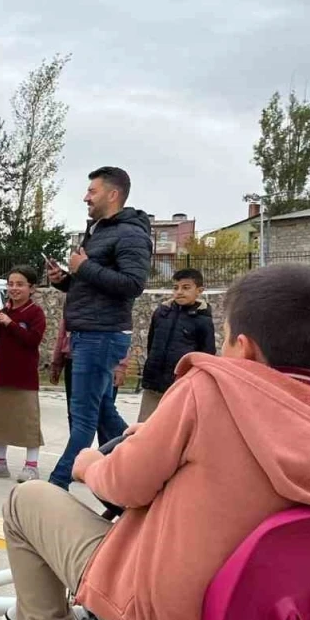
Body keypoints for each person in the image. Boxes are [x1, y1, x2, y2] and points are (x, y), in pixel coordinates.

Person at [0, 264, 310, 620]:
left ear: (244, 347)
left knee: (26, 500)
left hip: (164, 617)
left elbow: (125, 486)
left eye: (224, 339)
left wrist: (88, 466)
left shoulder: (210, 389)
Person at [46, 166, 153, 490]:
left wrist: (85, 267)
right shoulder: (100, 230)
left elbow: (133, 284)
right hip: (89, 334)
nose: (85, 197)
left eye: (92, 191)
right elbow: (93, 287)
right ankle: (137, 475)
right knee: (105, 415)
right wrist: (67, 280)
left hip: (100, 336)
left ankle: (55, 486)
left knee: (83, 421)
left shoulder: (131, 234)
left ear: (113, 193)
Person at [0, 266, 47, 482]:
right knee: (0, 420)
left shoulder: (35, 313)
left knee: (28, 422)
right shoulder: (4, 311)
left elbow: (32, 341)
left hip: (24, 377)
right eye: (10, 284)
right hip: (1, 374)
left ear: (31, 288)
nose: (14, 288)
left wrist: (11, 324)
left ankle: (31, 466)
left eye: (20, 284)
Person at [138, 268, 215, 421]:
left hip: (181, 386)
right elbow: (151, 343)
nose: (179, 292)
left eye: (186, 288)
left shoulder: (203, 321)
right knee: (144, 427)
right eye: (176, 287)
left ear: (199, 290)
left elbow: (206, 355)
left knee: (173, 428)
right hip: (153, 383)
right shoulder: (161, 313)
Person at [50, 314, 131, 441]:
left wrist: (120, 366)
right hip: (74, 358)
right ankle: (78, 456)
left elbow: (123, 330)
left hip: (106, 358)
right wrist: (57, 362)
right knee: (75, 413)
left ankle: (114, 451)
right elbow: (63, 331)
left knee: (104, 413)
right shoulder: (75, 299)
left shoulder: (114, 297)